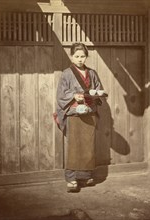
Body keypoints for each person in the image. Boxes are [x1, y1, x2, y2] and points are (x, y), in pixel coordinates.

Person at [55, 42, 102, 192]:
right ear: (71, 56)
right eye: (77, 56)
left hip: (89, 112)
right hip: (74, 114)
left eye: (83, 56)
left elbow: (98, 90)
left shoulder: (92, 73)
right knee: (74, 146)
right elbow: (61, 95)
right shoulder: (66, 74)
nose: (80, 59)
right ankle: (71, 178)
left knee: (89, 145)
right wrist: (74, 96)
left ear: (86, 57)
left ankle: (86, 175)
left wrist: (96, 94)